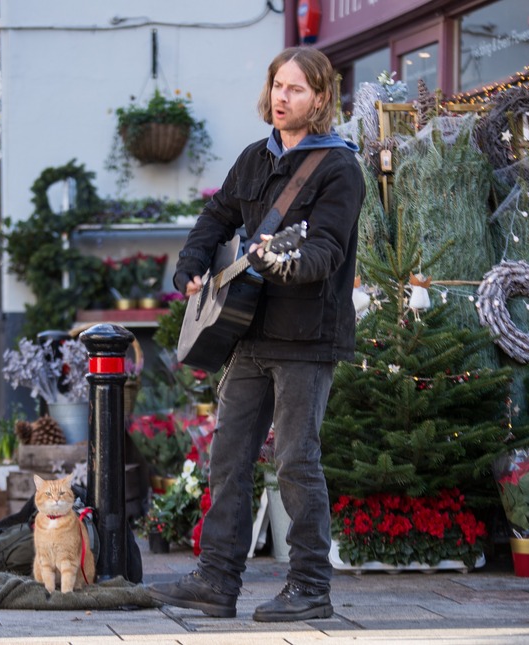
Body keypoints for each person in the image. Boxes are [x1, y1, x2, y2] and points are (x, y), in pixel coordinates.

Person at [147, 47, 365, 622]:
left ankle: (310, 588)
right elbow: (215, 217)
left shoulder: (340, 167)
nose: (281, 97)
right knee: (228, 457)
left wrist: (284, 263)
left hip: (307, 338)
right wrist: (192, 264)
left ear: (320, 98)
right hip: (247, 332)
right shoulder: (254, 157)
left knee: (296, 462)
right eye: (276, 86)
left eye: (295, 89)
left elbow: (325, 250)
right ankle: (217, 582)